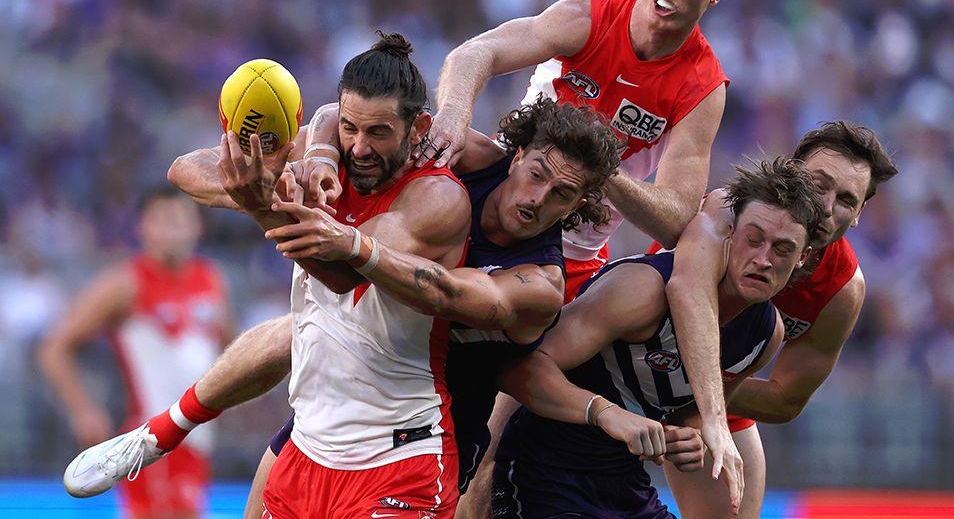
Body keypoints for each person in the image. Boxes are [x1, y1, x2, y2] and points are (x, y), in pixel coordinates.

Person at [420, 0, 758, 509]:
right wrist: (452, 113)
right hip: (493, 210)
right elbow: (474, 54)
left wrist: (603, 176)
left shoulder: (701, 86)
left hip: (567, 263)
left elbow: (680, 216)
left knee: (483, 447)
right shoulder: (588, 18)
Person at [64, 31, 474, 517]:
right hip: (307, 446)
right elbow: (185, 170)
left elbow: (342, 277)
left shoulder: (437, 199)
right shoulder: (324, 153)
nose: (360, 148)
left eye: (379, 133)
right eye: (350, 128)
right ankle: (158, 433)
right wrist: (263, 174)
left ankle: (163, 431)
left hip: (397, 455)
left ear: (417, 127)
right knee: (295, 329)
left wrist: (264, 206)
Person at [239, 98, 631, 517]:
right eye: (536, 175)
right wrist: (319, 153)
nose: (537, 198)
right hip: (339, 409)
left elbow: (441, 293)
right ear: (516, 156)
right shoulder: (470, 156)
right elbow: (353, 114)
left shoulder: (540, 283)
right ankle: (171, 427)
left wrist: (355, 244)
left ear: (578, 207)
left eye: (562, 194)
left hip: (428, 438)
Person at [491, 157, 826, 518]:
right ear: (729, 233)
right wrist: (605, 413)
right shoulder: (643, 290)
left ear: (803, 258)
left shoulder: (765, 335)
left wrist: (686, 437)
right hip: (543, 474)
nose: (763, 259)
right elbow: (517, 369)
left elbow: (690, 412)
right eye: (753, 239)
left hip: (625, 484)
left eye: (782, 249)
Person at [659, 121, 898, 518]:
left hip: (708, 397)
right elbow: (684, 292)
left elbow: (785, 399)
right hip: (625, 358)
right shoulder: (728, 213)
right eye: (819, 184)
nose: (825, 207)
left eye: (845, 200)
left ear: (858, 214)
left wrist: (706, 394)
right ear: (791, 168)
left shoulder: (842, 291)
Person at [38, 186, 234, 519]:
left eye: (179, 220)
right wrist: (83, 409)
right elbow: (55, 348)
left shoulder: (211, 280)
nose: (171, 230)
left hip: (199, 439)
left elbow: (228, 349)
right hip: (150, 440)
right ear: (142, 227)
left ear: (197, 226)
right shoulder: (125, 283)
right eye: (161, 220)